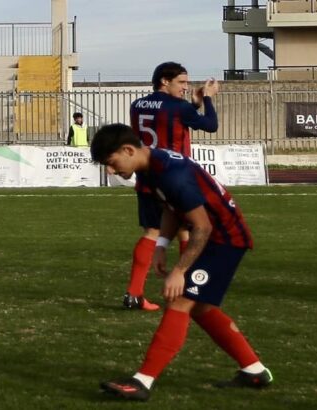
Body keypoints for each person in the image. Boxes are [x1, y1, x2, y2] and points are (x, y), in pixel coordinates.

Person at [91, 123, 272, 402]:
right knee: (200, 308)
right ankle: (254, 370)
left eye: (111, 162)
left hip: (224, 239)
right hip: (216, 236)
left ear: (128, 150)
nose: (110, 171)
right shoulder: (151, 168)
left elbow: (202, 227)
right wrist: (162, 245)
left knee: (180, 302)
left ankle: (143, 381)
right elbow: (171, 209)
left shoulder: (171, 173)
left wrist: (180, 270)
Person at [123, 62, 220, 311]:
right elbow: (210, 125)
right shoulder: (177, 107)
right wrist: (207, 99)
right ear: (164, 81)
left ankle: (134, 294)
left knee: (153, 232)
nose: (186, 88)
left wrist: (193, 104)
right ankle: (191, 290)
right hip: (174, 178)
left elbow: (172, 116)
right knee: (189, 230)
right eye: (182, 82)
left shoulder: (138, 105)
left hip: (146, 178)